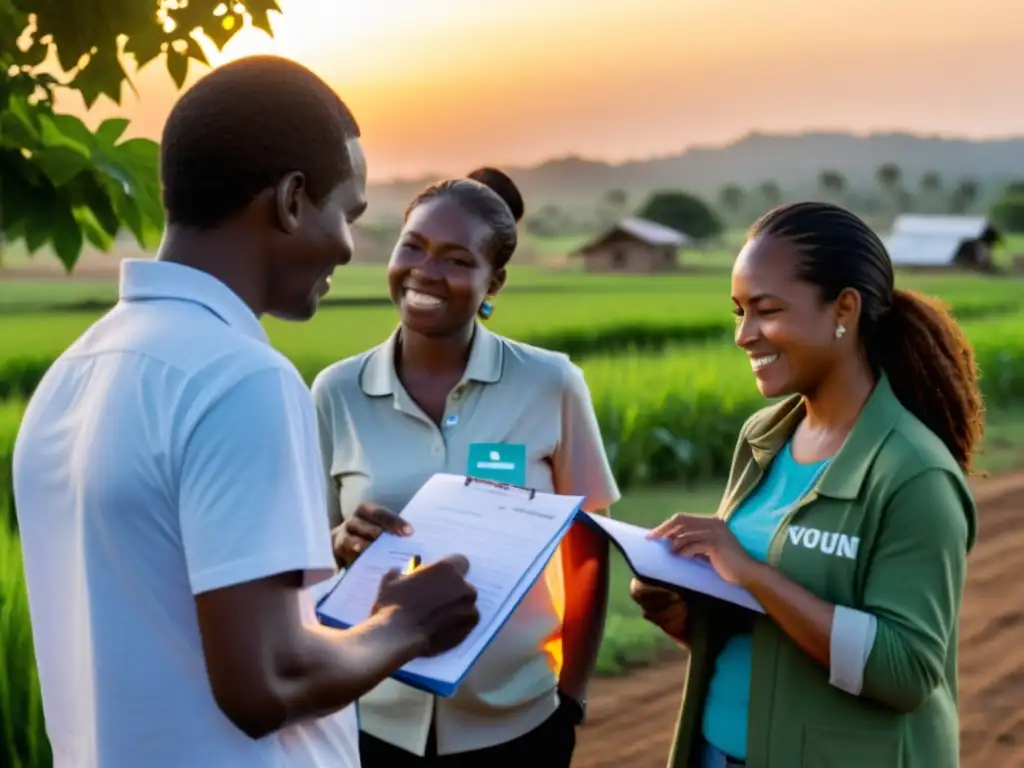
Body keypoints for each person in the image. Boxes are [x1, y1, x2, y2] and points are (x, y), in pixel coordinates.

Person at [12, 55, 480, 768]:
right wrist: (403, 627)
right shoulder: (240, 377)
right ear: (292, 200)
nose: (351, 248)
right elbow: (266, 682)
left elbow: (158, 615)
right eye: (347, 213)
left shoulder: (74, 372)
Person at [631, 201, 981, 768]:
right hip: (718, 749)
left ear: (843, 308)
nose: (745, 335)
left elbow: (909, 671)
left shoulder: (914, 473)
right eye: (738, 311)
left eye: (766, 311)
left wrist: (755, 575)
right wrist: (680, 607)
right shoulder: (763, 437)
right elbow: (760, 628)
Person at [311, 168, 620, 766]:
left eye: (456, 259)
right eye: (413, 247)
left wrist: (572, 696)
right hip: (369, 718)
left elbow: (587, 551)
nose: (426, 272)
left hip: (517, 722)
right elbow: (303, 561)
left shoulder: (550, 384)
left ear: (493, 281)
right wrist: (339, 542)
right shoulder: (336, 393)